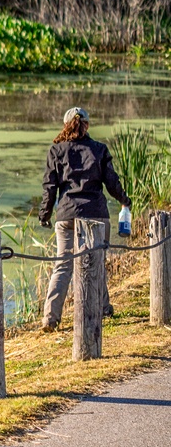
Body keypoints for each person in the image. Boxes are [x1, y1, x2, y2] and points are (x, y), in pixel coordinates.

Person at [38, 107, 132, 332]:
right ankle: (102, 308)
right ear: (87, 125)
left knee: (63, 265)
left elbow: (49, 187)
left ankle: (51, 319)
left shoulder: (56, 151)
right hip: (96, 214)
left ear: (65, 125)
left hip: (67, 215)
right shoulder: (99, 149)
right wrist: (125, 202)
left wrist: (45, 214)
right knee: (96, 263)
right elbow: (112, 183)